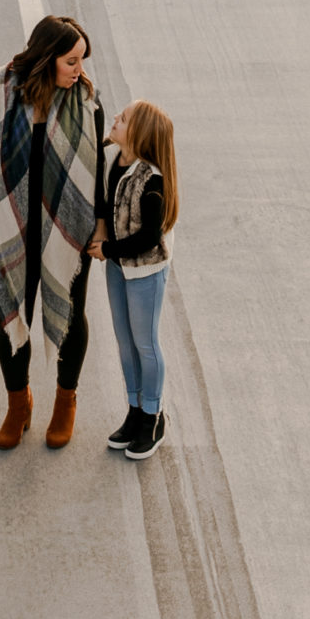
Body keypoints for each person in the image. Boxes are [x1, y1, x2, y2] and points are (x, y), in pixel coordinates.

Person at [0, 13, 105, 451]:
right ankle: (19, 406)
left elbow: (100, 173)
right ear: (46, 58)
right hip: (14, 225)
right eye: (72, 61)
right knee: (12, 316)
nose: (81, 70)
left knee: (71, 316)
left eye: (82, 61)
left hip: (69, 230)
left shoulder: (87, 100)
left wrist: (102, 227)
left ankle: (64, 402)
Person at [94, 100, 180, 460]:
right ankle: (134, 410)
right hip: (118, 267)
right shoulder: (117, 160)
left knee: (145, 343)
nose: (116, 118)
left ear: (139, 135)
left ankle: (153, 416)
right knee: (125, 342)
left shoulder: (153, 181)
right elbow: (103, 203)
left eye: (123, 119)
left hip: (144, 271)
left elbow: (149, 237)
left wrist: (107, 250)